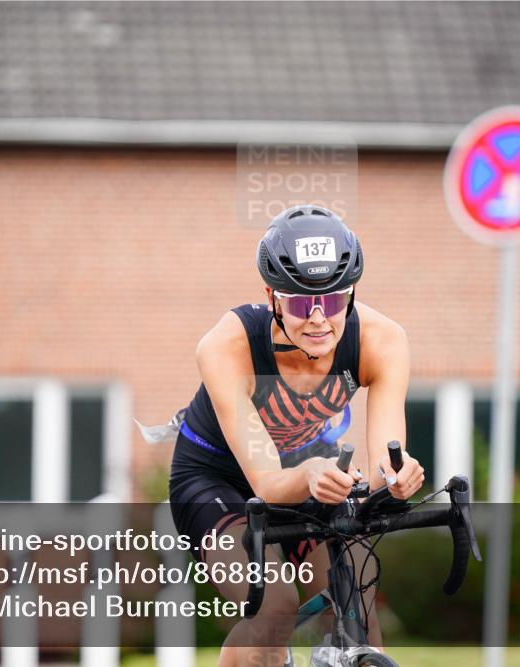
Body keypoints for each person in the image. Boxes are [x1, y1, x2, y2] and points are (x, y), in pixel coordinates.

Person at [167, 205, 424, 667]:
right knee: (274, 608)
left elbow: (389, 455)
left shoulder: (382, 340)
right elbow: (266, 482)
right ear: (272, 296)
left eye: (335, 299)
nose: (320, 318)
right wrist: (310, 473)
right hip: (216, 480)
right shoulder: (227, 346)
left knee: (356, 596)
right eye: (303, 303)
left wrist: (398, 477)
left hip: (311, 469)